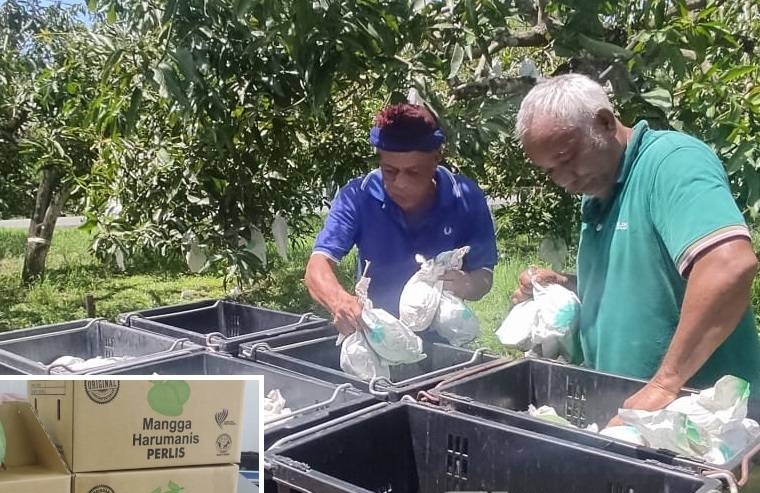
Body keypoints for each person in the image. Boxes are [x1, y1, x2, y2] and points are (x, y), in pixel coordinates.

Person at [513, 73, 760, 415]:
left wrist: (665, 383)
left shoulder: (672, 162)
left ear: (604, 122)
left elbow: (729, 264)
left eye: (568, 158)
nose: (565, 180)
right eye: (551, 171)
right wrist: (562, 284)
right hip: (634, 420)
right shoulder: (599, 193)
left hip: (705, 427)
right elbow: (637, 286)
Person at [304, 102, 498, 336]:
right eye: (390, 171)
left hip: (441, 336)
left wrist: (468, 284)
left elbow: (484, 274)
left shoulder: (465, 197)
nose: (401, 183)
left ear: (436, 159)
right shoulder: (358, 196)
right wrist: (340, 302)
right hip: (377, 332)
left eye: (413, 172)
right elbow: (317, 267)